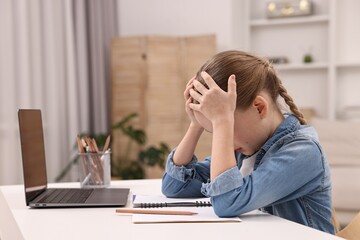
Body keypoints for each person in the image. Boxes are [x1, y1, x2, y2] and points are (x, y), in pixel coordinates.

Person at [161, 50, 335, 234]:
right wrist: (196, 125)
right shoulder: (246, 149)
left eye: (226, 126)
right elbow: (175, 187)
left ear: (259, 108)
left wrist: (221, 122)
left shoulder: (303, 151)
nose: (223, 138)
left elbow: (227, 203)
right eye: (216, 131)